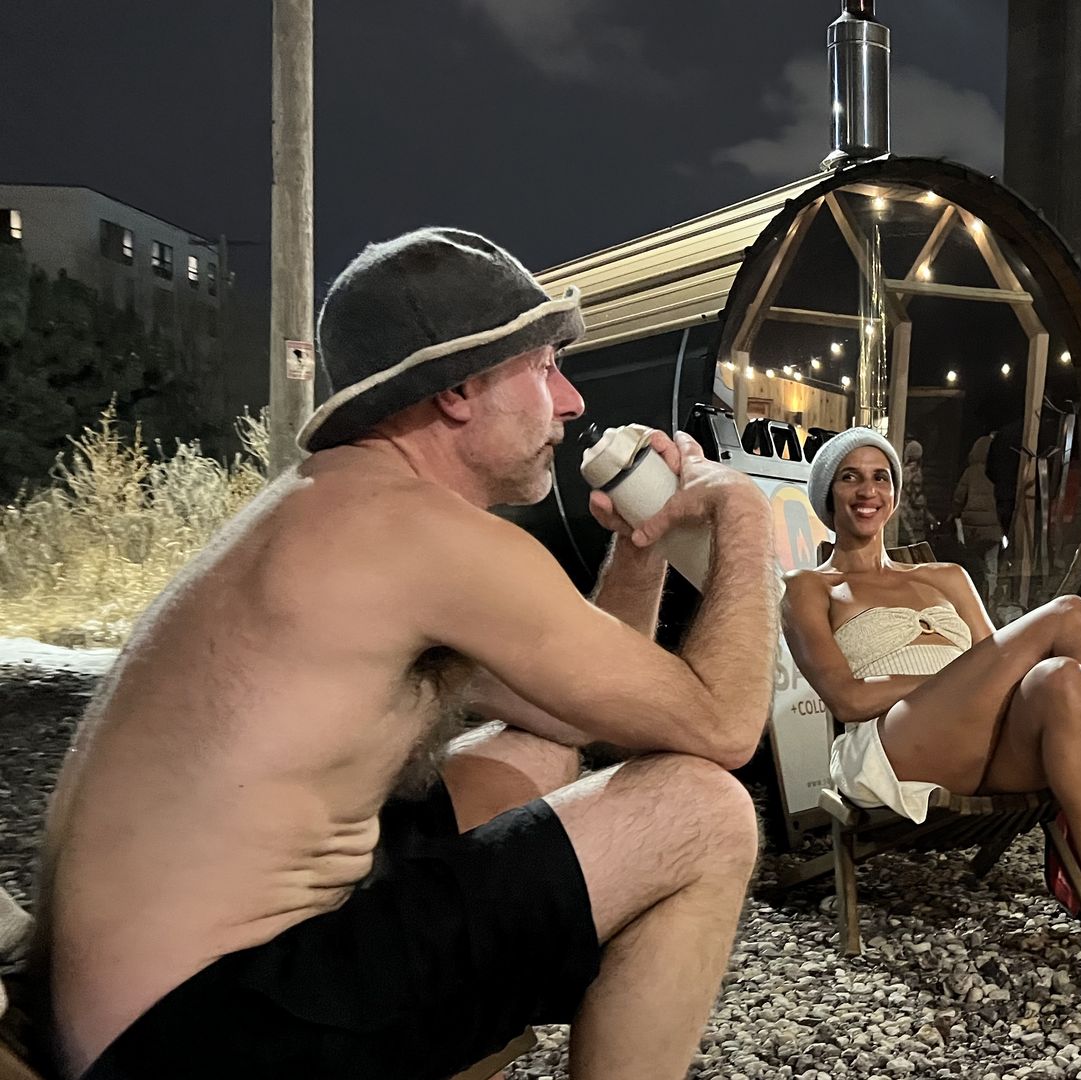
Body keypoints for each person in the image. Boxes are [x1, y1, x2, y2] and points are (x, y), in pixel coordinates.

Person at [30, 228, 780, 1080]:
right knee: (707, 811)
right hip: (203, 1039)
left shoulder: (334, 509)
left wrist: (642, 546)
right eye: (543, 368)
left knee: (534, 754)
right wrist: (743, 511)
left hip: (125, 1013)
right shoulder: (424, 537)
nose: (571, 402)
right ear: (457, 389)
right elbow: (724, 728)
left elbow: (578, 714)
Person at [781, 428, 1081, 1016]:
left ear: (894, 491)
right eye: (850, 477)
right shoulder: (810, 588)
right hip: (897, 745)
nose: (868, 490)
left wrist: (967, 677)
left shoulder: (945, 577)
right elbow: (846, 698)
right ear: (828, 493)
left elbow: (1003, 672)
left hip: (982, 746)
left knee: (1060, 678)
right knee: (1069, 614)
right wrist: (949, 679)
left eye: (880, 477)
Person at [951, 434, 1004, 603]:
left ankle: (973, 599)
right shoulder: (998, 472)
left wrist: (955, 513)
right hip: (994, 526)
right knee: (991, 566)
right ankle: (990, 598)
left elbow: (959, 497)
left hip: (972, 528)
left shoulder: (970, 472)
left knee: (973, 566)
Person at [894, 438, 931, 547]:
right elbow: (916, 495)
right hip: (912, 514)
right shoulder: (915, 471)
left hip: (905, 512)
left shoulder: (902, 470)